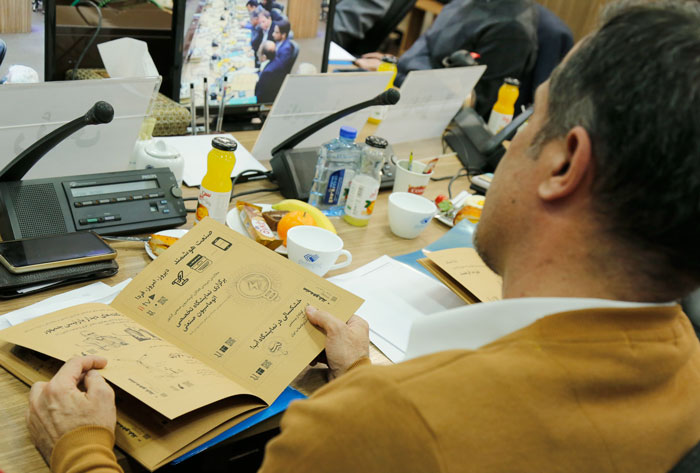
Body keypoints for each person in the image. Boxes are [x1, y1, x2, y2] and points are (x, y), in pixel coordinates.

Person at [25, 1, 700, 472]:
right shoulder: (686, 367)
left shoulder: (386, 427)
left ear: (564, 164)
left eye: (527, 124)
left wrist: (79, 447)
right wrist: (360, 377)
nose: (508, 147)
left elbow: (416, 434)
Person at [355, 0, 538, 118]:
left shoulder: (512, 31)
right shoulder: (467, 3)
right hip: (400, 89)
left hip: (426, 117)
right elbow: (430, 47)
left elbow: (470, 105)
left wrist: (397, 73)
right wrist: (393, 64)